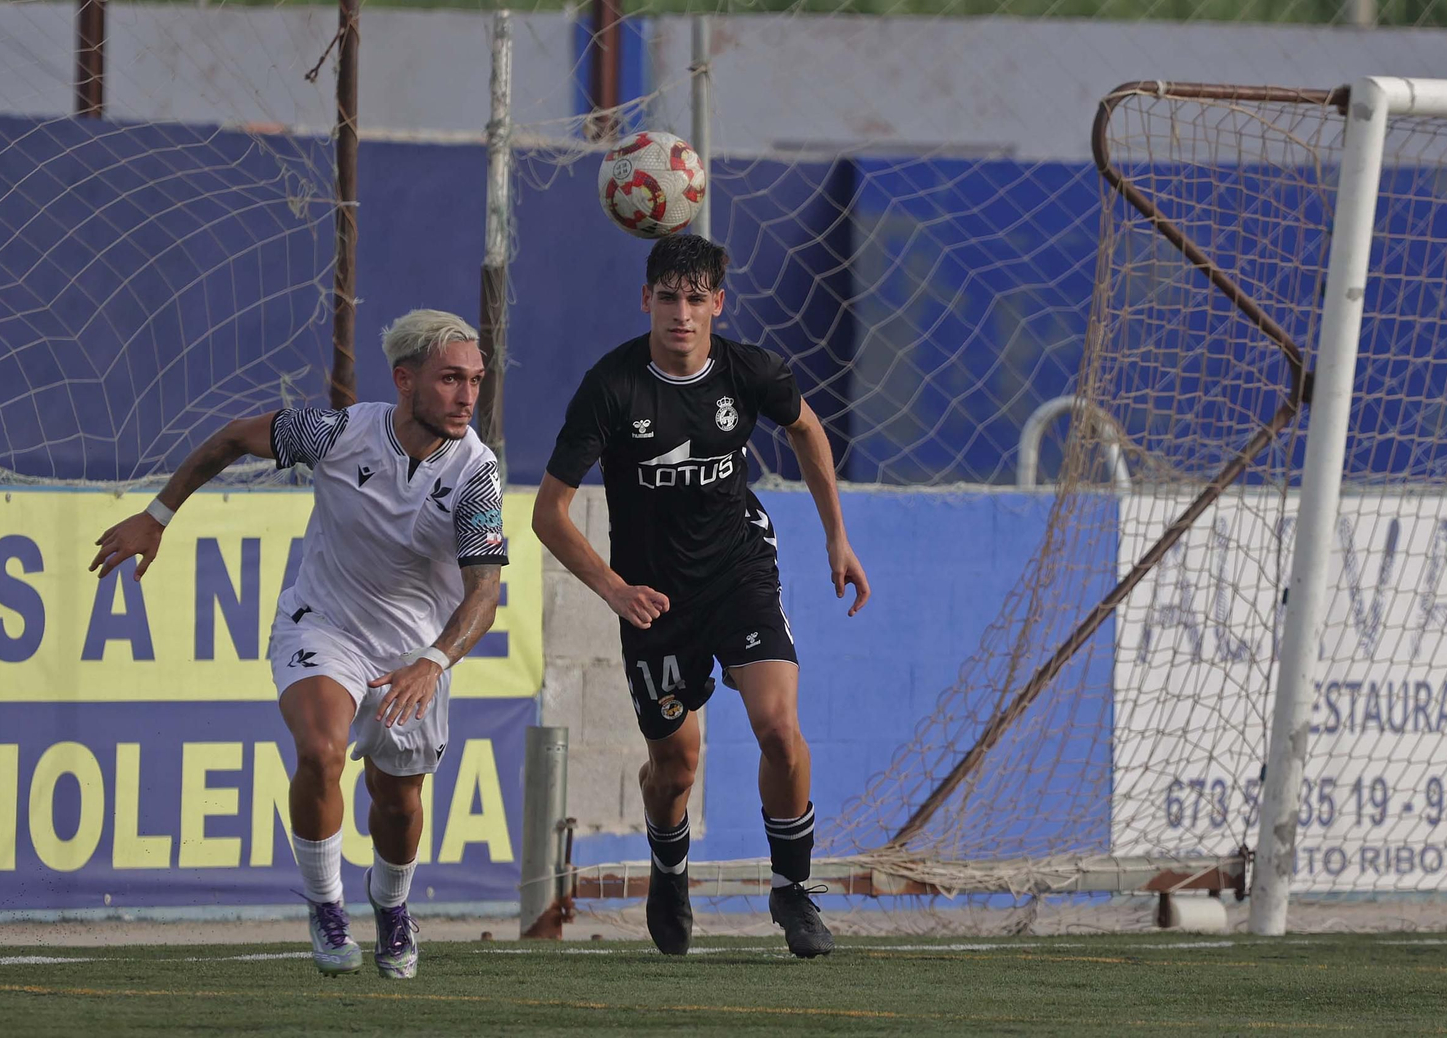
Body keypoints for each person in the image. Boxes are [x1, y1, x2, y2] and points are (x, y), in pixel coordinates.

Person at [89, 310, 507, 979]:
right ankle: (326, 905)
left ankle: (392, 907)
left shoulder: (476, 473)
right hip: (322, 626)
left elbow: (483, 594)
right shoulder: (338, 432)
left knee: (398, 800)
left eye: (476, 380)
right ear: (405, 381)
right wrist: (157, 515)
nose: (467, 397)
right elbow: (233, 438)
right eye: (451, 379)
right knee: (320, 750)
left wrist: (432, 662)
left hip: (412, 655)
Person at [532, 235, 870, 958]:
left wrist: (836, 536)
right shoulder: (611, 386)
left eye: (694, 299)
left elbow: (806, 427)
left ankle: (793, 890)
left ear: (718, 303)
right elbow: (548, 514)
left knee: (779, 729)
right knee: (675, 768)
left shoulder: (750, 371)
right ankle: (668, 869)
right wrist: (614, 589)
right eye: (667, 298)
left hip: (739, 572)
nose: (680, 314)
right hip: (653, 597)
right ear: (645, 300)